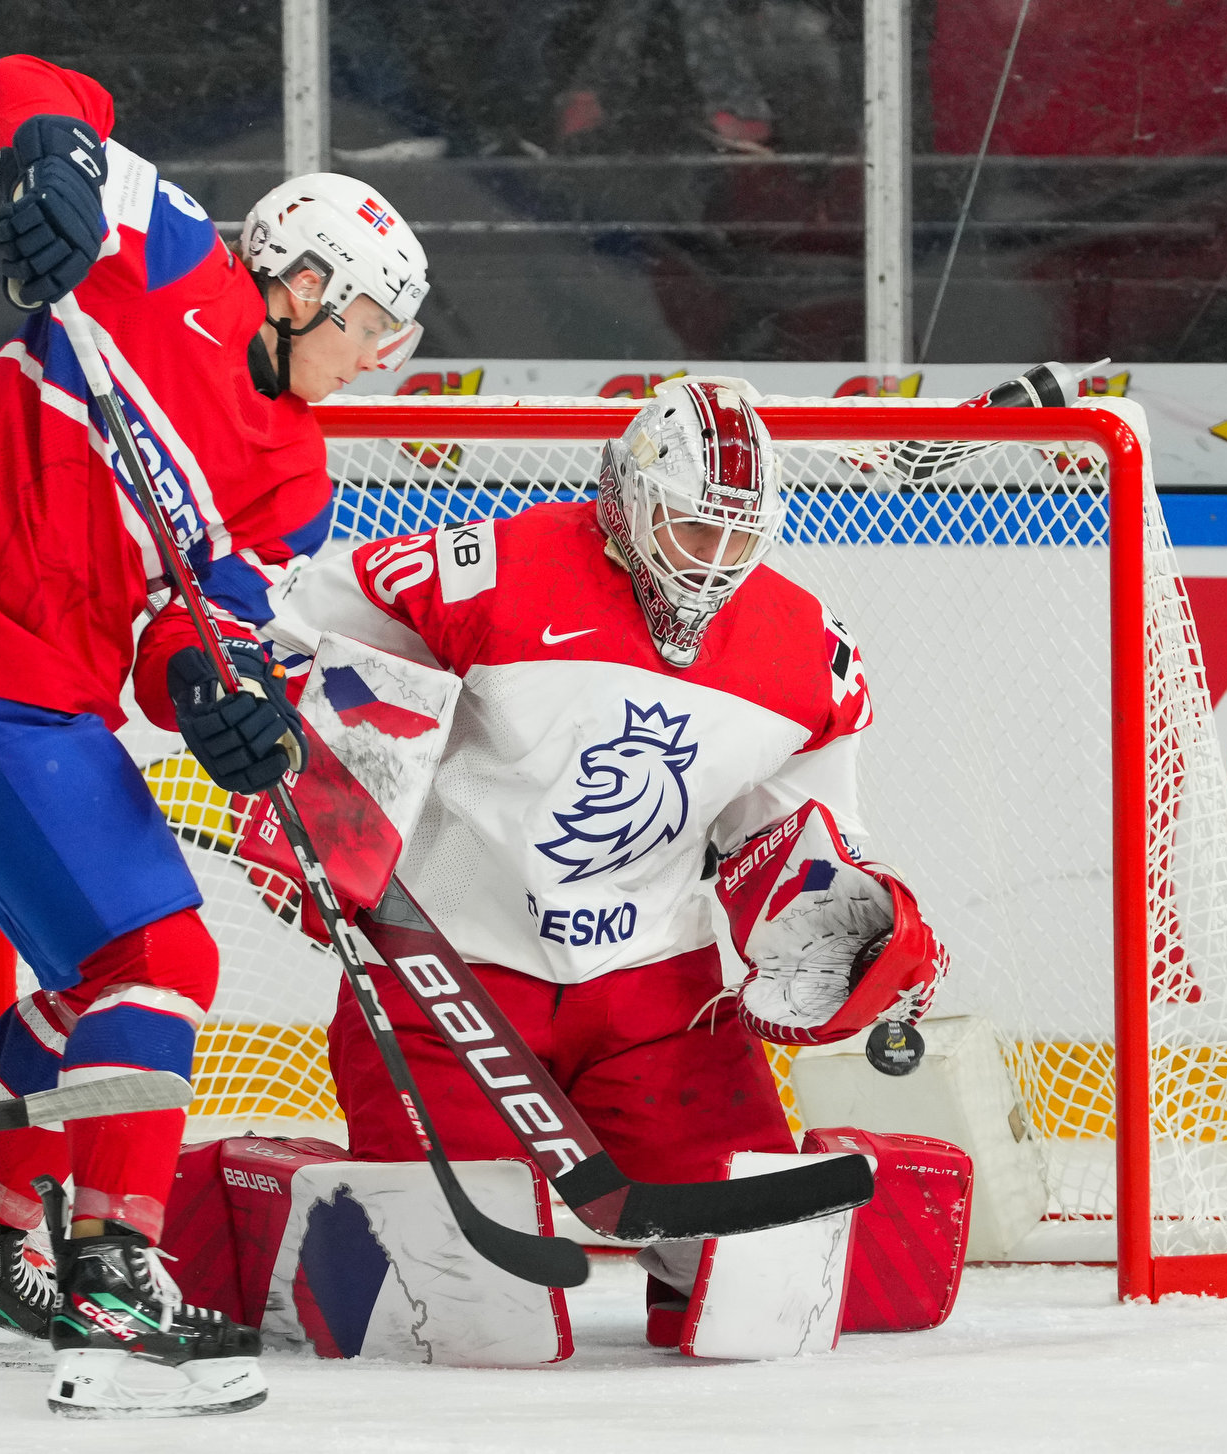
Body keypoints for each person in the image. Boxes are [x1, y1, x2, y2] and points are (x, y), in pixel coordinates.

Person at [0, 53, 428, 1418]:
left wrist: (225, 698)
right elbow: (36, 82)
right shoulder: (177, 263)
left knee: (107, 974)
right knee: (162, 948)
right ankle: (115, 1280)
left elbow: (195, 634)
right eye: (374, 317)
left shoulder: (298, 479)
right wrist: (49, 161)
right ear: (304, 281)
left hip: (30, 676)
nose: (382, 351)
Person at [133, 376, 946, 1343]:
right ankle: (266, 1194)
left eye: (739, 536)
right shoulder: (493, 570)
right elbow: (267, 628)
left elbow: (788, 838)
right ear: (629, 500)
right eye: (692, 528)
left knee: (766, 1301)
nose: (714, 562)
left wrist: (856, 928)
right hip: (444, 978)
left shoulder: (808, 649)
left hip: (655, 999)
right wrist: (221, 683)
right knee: (466, 1319)